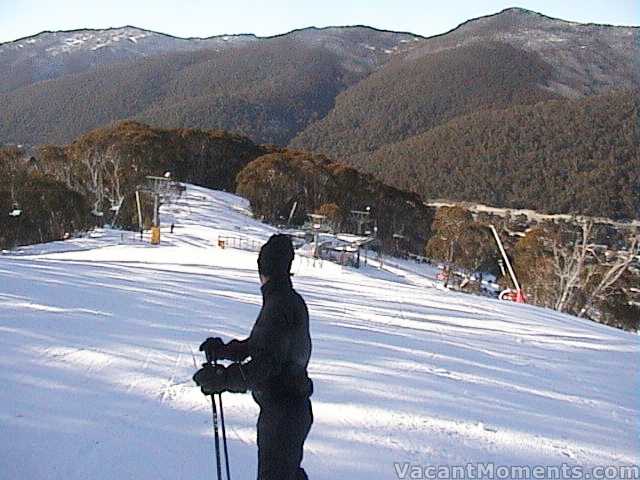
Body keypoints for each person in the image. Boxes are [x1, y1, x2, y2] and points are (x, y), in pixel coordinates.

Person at [193, 234, 313, 480]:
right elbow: (265, 346)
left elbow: (266, 365)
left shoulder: (279, 305)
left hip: (282, 414)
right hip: (288, 411)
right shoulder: (287, 300)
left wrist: (223, 378)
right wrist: (226, 351)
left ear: (264, 269)